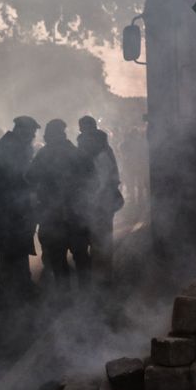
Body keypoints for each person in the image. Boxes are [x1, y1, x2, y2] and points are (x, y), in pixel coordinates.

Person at [26, 119, 90, 295]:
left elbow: (30, 177)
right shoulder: (77, 153)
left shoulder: (44, 155)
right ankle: (88, 296)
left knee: (57, 258)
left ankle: (65, 297)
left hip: (52, 214)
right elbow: (92, 179)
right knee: (81, 256)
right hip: (76, 213)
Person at [0, 116, 39, 310]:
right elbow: (22, 177)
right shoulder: (15, 148)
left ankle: (16, 287)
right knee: (13, 248)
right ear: (22, 130)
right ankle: (13, 290)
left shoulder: (8, 144)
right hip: (12, 207)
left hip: (7, 206)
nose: (33, 136)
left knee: (11, 249)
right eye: (31, 133)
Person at [77, 116, 122, 284]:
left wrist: (93, 198)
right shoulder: (103, 148)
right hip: (99, 203)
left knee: (99, 241)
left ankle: (101, 278)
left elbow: (103, 181)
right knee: (101, 240)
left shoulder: (98, 152)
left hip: (97, 203)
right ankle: (103, 275)